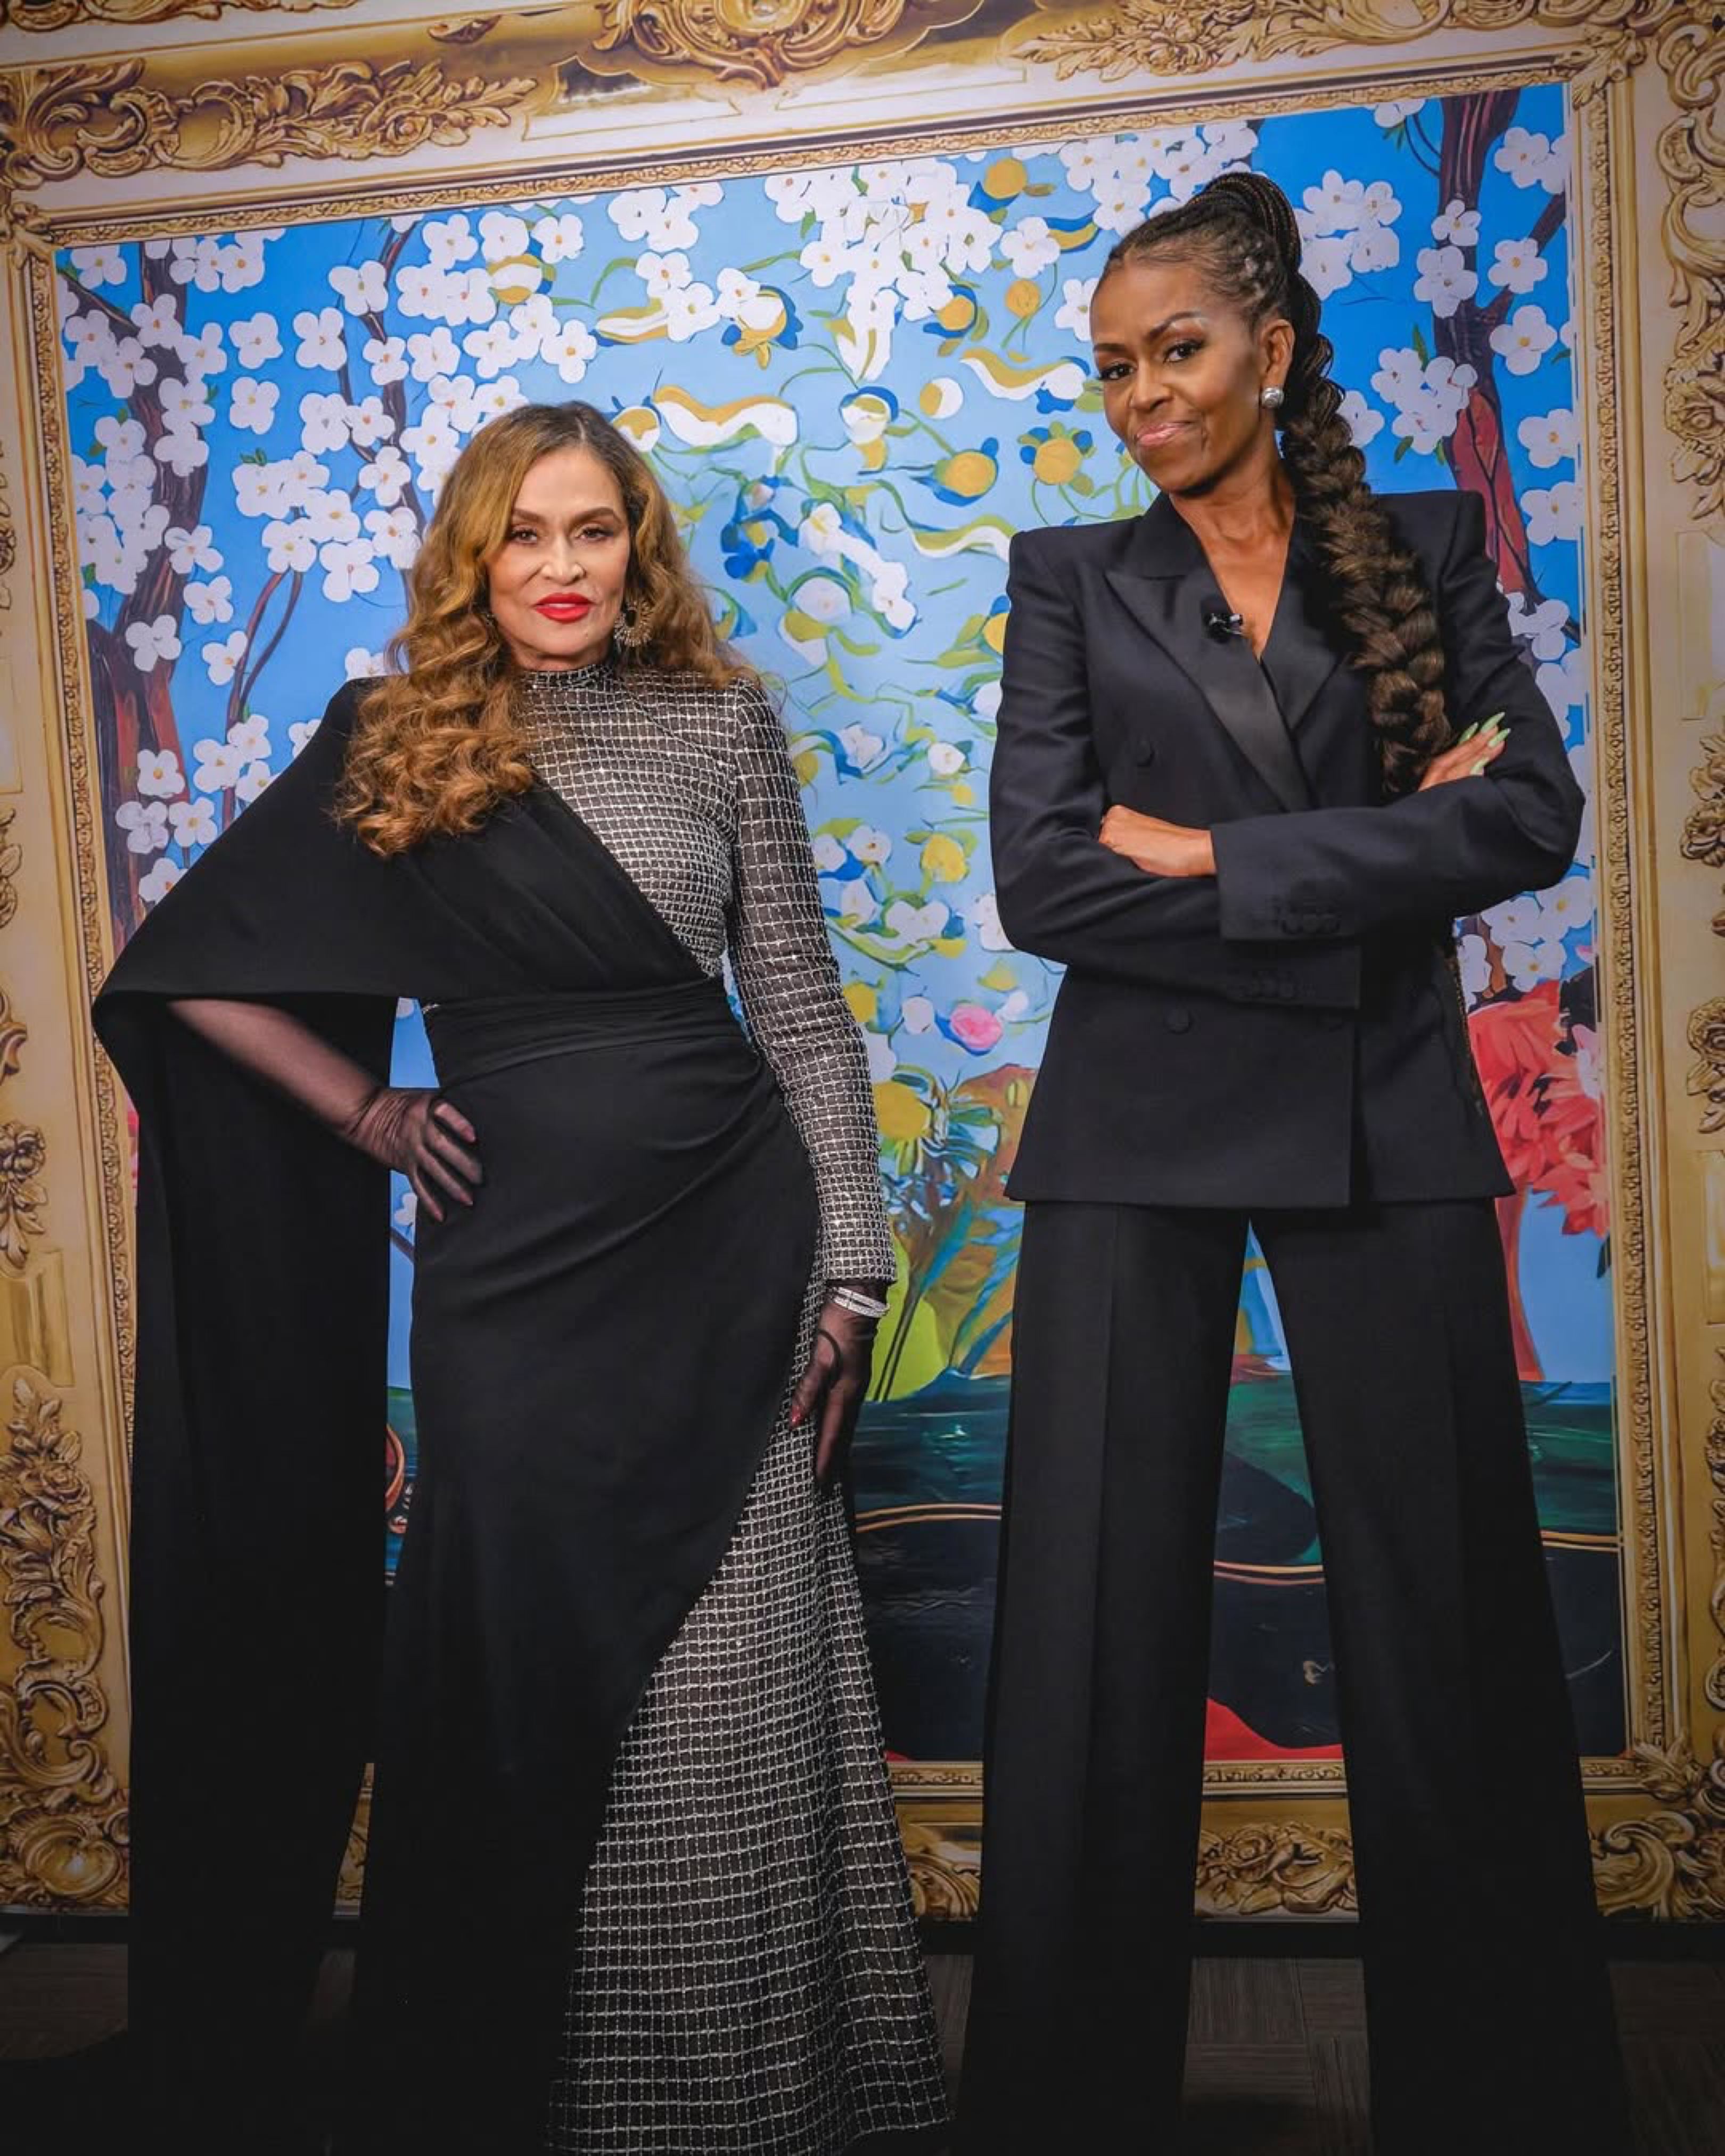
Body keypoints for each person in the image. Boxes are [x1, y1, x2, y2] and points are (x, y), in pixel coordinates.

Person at [94, 400, 949, 2155]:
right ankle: (541, 2091)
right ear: (475, 554)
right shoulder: (398, 736)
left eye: (595, 530)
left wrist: (854, 1275)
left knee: (730, 1680)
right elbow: (184, 968)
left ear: (638, 546)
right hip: (517, 1291)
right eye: (526, 534)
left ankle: (754, 2091)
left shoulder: (721, 726)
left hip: (736, 1243)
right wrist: (368, 1107)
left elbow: (795, 1005)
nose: (563, 568)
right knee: (528, 1677)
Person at [958, 171, 1627, 2153]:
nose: (1143, 396)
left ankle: (1505, 2100)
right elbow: (1042, 878)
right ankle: (1059, 2110)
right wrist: (1342, 862)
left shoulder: (1419, 547)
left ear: (1271, 342)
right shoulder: (1069, 575)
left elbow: (1528, 820)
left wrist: (1217, 852)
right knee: (1090, 1628)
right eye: (1111, 369)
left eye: (1178, 351)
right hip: (1131, 1131)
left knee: (1450, 1625)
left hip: (1381, 1109)